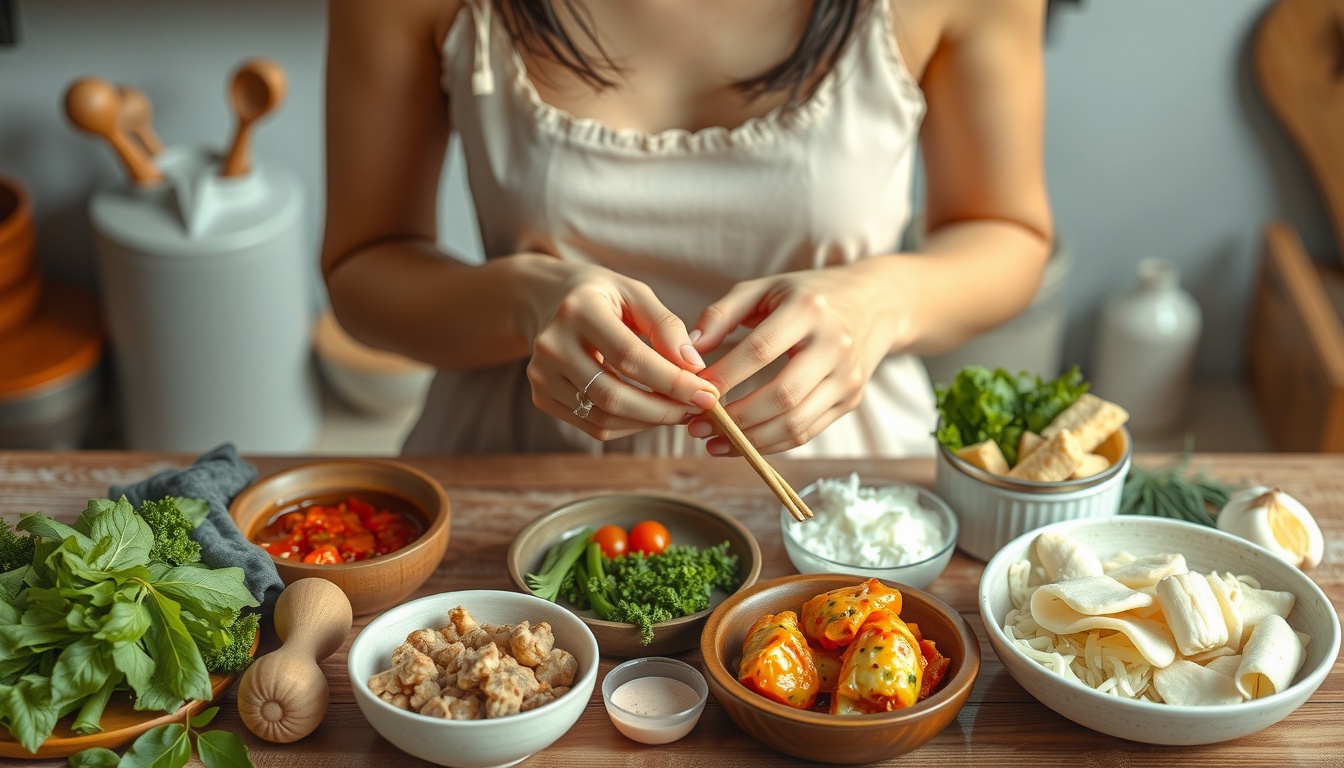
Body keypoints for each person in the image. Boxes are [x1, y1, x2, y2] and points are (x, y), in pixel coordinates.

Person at [321, 0, 1053, 458]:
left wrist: (874, 303)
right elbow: (363, 265)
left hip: (845, 478)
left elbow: (1007, 233)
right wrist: (527, 300)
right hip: (518, 463)